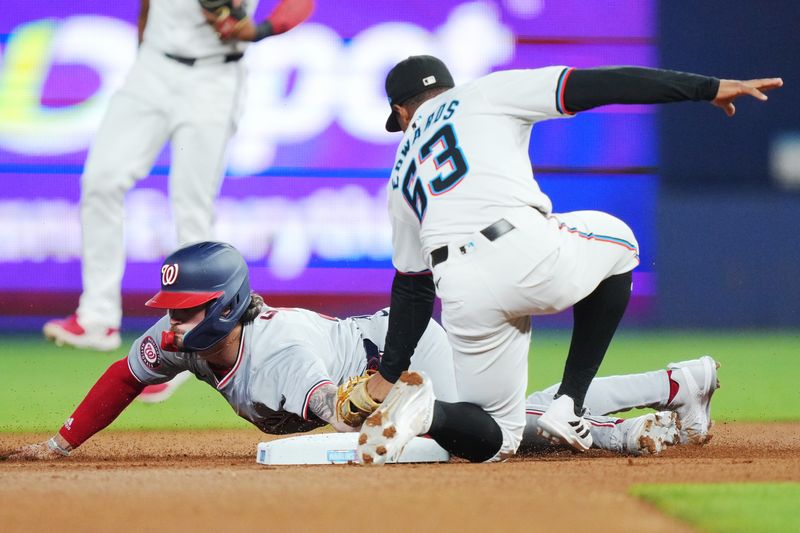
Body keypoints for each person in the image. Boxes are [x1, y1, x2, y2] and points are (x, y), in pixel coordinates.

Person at [346, 56, 781, 465]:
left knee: (497, 435)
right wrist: (705, 88)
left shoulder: (400, 174)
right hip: (522, 251)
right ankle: (569, 402)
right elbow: (602, 84)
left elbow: (412, 287)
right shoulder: (485, 92)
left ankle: (429, 412)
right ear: (446, 88)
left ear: (402, 113)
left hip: (458, 287)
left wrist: (389, 374)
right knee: (622, 242)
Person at [5, 242, 719, 461]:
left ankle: (624, 431)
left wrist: (365, 400)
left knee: (496, 436)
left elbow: (337, 406)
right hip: (381, 351)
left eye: (185, 306)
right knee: (518, 408)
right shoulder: (184, 343)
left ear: (222, 305)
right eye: (170, 307)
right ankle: (675, 383)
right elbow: (122, 375)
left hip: (403, 357)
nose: (171, 320)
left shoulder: (276, 349)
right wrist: (60, 442)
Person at [42, 0, 314, 351]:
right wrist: (143, 47)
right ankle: (97, 318)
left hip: (213, 75)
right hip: (153, 66)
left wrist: (260, 30)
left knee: (191, 209)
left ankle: (186, 340)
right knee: (100, 182)